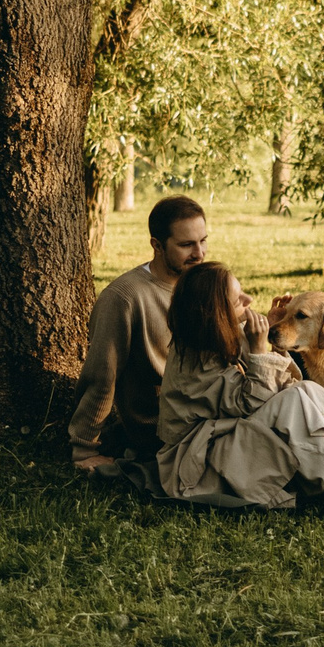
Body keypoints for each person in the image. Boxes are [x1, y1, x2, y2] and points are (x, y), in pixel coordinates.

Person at [155, 263, 324, 523]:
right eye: (238, 300)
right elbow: (251, 402)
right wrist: (260, 352)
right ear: (216, 312)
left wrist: (271, 336)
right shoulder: (194, 360)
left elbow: (278, 384)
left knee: (306, 389)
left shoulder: (216, 334)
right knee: (295, 397)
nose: (249, 300)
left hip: (227, 435)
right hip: (199, 461)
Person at [70, 194, 210, 477]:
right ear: (157, 245)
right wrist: (84, 448)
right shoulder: (124, 297)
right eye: (186, 245)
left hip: (212, 407)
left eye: (203, 240)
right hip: (165, 427)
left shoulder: (201, 282)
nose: (200, 253)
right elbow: (101, 375)